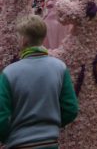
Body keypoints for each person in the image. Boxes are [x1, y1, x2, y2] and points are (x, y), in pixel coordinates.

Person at [0, 14, 78, 148]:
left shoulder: (9, 73)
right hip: (50, 143)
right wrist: (51, 127)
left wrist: (9, 137)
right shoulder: (59, 67)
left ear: (23, 40)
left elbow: (2, 117)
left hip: (19, 143)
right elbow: (71, 109)